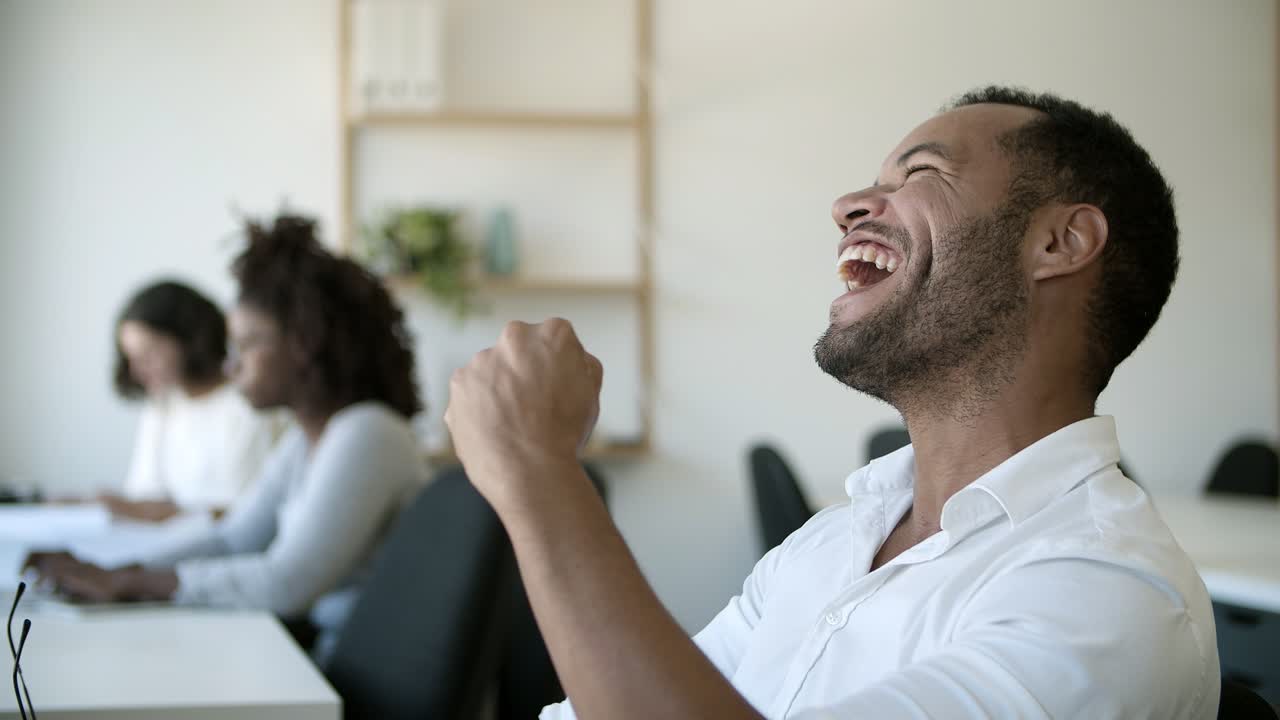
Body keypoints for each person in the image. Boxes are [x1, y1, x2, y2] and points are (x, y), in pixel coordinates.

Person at [443, 87, 1220, 718]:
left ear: (1060, 243)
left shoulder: (1107, 596)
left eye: (919, 175)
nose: (850, 204)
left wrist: (538, 472)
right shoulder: (833, 543)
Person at [28, 212, 428, 658]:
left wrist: (132, 582)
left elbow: (287, 582)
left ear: (305, 343)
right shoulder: (306, 442)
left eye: (248, 344)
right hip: (315, 656)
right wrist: (114, 570)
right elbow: (234, 539)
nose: (229, 365)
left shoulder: (369, 432)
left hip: (349, 670)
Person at [97, 281, 282, 521]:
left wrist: (148, 511)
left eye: (149, 353)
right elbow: (144, 494)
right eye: (132, 358)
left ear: (189, 340)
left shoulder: (251, 406)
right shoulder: (162, 407)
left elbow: (246, 517)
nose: (137, 371)